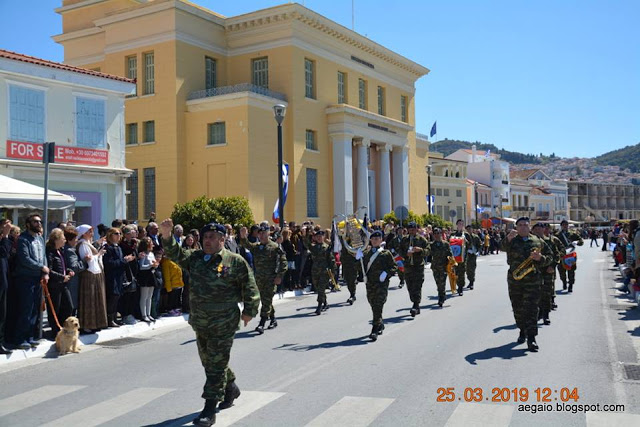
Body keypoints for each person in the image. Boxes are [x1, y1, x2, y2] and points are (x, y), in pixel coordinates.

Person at [160, 219, 259, 427]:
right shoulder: (196, 258)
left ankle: (209, 408)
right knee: (210, 361)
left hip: (224, 321)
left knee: (215, 363)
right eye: (205, 237)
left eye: (212, 237)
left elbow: (250, 286)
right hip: (201, 321)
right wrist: (168, 236)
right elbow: (176, 255)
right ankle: (230, 387)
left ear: (223, 239)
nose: (207, 240)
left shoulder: (235, 261)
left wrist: (250, 310)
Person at [501, 217, 552, 352]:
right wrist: (507, 238)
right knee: (517, 308)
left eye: (525, 225)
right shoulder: (512, 240)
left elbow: (550, 257)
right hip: (515, 280)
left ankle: (531, 338)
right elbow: (500, 247)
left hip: (533, 280)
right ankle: (522, 329)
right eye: (520, 225)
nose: (523, 227)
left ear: (529, 227)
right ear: (516, 227)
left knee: (531, 309)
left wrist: (541, 258)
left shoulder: (537, 241)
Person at [239, 225, 287, 333]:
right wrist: (243, 236)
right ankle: (273, 319)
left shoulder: (275, 247)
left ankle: (262, 323)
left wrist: (279, 276)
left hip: (271, 279)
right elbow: (247, 245)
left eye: (263, 233)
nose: (261, 235)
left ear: (268, 233)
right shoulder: (257, 247)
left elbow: (284, 262)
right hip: (259, 279)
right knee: (266, 300)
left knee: (266, 300)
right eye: (259, 233)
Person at [13, 214, 49, 349]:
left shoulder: (40, 238)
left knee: (35, 309)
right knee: (25, 308)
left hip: (38, 278)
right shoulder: (23, 239)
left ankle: (30, 336)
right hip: (25, 278)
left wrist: (45, 271)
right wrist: (41, 267)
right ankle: (19, 338)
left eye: (40, 221)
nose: (39, 224)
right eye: (35, 222)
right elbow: (25, 259)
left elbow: (43, 256)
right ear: (28, 224)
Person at [360, 230, 397, 341]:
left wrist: (386, 273)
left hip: (381, 283)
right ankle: (380, 323)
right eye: (373, 239)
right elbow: (361, 268)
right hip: (370, 283)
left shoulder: (385, 253)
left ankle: (375, 328)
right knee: (372, 302)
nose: (375, 241)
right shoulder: (366, 254)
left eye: (377, 239)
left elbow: (393, 267)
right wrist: (358, 259)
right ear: (370, 240)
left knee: (378, 303)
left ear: (381, 240)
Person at [76, 224, 108, 333]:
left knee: (96, 299)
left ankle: (95, 323)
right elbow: (87, 260)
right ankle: (87, 324)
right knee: (89, 300)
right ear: (84, 233)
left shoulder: (88, 243)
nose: (92, 233)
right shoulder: (82, 244)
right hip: (89, 274)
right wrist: (99, 254)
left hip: (95, 273)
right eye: (89, 231)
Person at [103, 227, 136, 327]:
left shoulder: (118, 247)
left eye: (119, 234)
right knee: (113, 296)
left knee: (117, 297)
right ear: (110, 235)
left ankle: (114, 318)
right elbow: (109, 263)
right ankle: (109, 319)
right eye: (116, 234)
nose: (119, 236)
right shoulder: (108, 248)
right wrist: (124, 260)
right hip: (112, 276)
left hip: (119, 276)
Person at [45, 228, 75, 336]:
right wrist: (62, 277)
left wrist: (69, 271)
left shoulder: (60, 251)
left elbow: (63, 266)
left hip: (63, 284)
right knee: (55, 309)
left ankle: (64, 328)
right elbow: (49, 269)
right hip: (55, 285)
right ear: (57, 239)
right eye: (63, 238)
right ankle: (55, 331)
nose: (65, 241)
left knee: (68, 306)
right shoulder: (50, 252)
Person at [399, 222, 429, 317]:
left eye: (414, 229)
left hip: (418, 266)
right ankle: (415, 303)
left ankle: (416, 305)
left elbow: (428, 250)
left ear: (417, 229)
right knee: (410, 287)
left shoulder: (421, 239)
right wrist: (405, 254)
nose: (412, 230)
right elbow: (399, 250)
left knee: (417, 286)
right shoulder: (404, 240)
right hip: (408, 267)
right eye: (410, 229)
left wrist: (420, 250)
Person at [532, 223, 558, 325]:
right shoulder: (530, 242)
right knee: (535, 294)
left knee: (546, 294)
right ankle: (539, 313)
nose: (538, 231)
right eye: (536, 229)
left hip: (547, 271)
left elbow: (556, 254)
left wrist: (553, 266)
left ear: (544, 230)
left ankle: (546, 315)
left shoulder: (549, 241)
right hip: (534, 272)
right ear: (533, 230)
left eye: (540, 229)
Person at [305, 230, 336, 315]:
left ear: (323, 237)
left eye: (320, 236)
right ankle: (325, 302)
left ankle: (319, 305)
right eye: (317, 236)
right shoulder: (313, 247)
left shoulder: (327, 248)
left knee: (321, 288)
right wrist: (307, 233)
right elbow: (306, 244)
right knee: (318, 288)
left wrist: (333, 271)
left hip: (324, 272)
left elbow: (332, 260)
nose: (319, 238)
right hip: (315, 271)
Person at [555, 220, 584, 293]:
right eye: (564, 225)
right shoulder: (557, 235)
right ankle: (564, 282)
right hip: (561, 255)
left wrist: (577, 242)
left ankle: (570, 285)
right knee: (561, 271)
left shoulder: (573, 234)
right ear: (561, 226)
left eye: (566, 225)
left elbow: (581, 241)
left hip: (570, 255)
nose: (565, 226)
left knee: (571, 271)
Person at [429, 228, 453, 307]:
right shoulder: (431, 245)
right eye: (435, 234)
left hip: (443, 266)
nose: (436, 235)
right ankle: (442, 294)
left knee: (442, 282)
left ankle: (441, 298)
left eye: (438, 233)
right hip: (435, 266)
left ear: (441, 234)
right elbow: (428, 253)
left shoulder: (445, 244)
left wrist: (452, 263)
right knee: (437, 282)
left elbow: (450, 254)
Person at [137, 237, 158, 322]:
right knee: (144, 296)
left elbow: (153, 263)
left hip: (151, 275)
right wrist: (150, 266)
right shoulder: (143, 254)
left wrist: (155, 265)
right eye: (150, 243)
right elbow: (141, 267)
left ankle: (149, 314)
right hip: (144, 276)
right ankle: (144, 314)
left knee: (150, 296)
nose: (152, 245)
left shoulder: (151, 254)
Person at [0, 219, 14, 354]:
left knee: (2, 315)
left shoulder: (5, 240)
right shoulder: (3, 239)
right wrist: (5, 235)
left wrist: (6, 236)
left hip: (3, 281)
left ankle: (1, 342)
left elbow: (8, 254)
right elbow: (3, 253)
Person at [449, 220, 472, 296]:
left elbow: (470, 245)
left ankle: (460, 288)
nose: (460, 225)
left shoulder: (466, 234)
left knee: (461, 272)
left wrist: (466, 241)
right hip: (454, 257)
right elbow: (448, 244)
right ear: (456, 225)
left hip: (462, 257)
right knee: (454, 272)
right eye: (459, 224)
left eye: (462, 224)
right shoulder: (452, 234)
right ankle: (454, 287)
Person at [340, 235, 359, 305]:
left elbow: (358, 248)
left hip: (352, 261)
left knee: (352, 279)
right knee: (347, 279)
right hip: (345, 261)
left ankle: (352, 295)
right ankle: (352, 293)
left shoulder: (354, 238)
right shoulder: (342, 237)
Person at [465, 225, 482, 290]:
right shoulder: (464, 236)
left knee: (472, 269)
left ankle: (472, 282)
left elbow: (480, 244)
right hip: (466, 255)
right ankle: (470, 280)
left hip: (473, 256)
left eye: (470, 229)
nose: (469, 230)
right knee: (466, 270)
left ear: (472, 229)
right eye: (468, 229)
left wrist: (478, 251)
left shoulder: (475, 237)